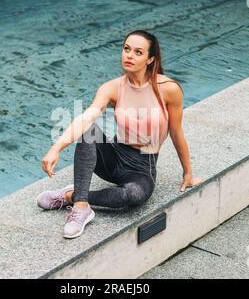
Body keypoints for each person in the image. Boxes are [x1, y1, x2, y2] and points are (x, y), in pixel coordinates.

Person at [38, 30, 203, 239]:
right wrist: (56, 148)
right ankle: (81, 208)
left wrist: (187, 173)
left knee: (133, 195)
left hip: (143, 166)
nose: (129, 55)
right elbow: (86, 118)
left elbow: (177, 132)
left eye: (138, 52)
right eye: (126, 49)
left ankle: (71, 196)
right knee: (89, 130)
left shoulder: (168, 89)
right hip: (114, 157)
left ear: (150, 59)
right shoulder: (113, 88)